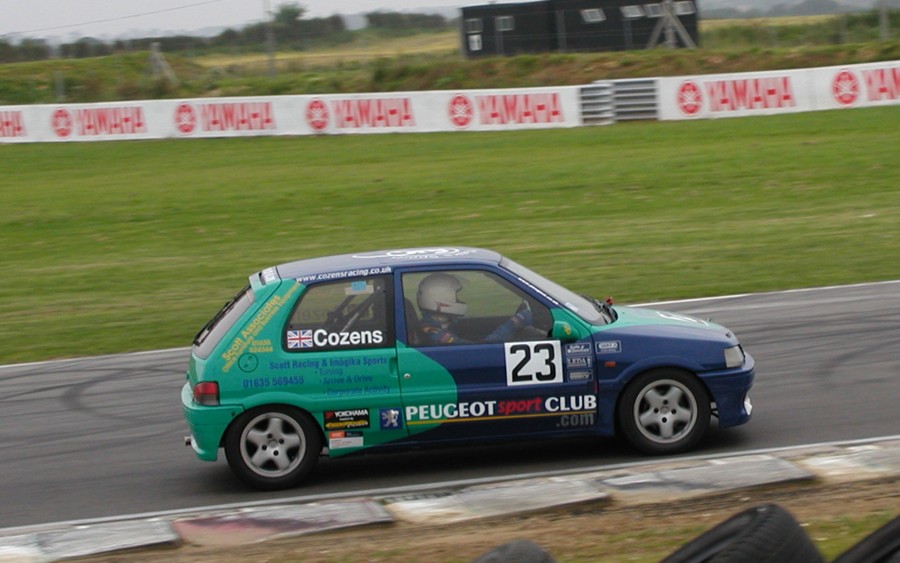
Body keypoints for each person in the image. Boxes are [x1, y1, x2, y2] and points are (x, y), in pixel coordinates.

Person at [416, 273, 533, 345]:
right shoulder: (437, 336)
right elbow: (484, 350)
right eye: (455, 297)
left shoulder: (437, 325)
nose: (459, 301)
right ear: (441, 300)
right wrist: (514, 322)